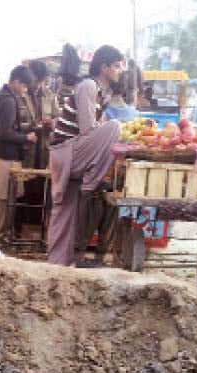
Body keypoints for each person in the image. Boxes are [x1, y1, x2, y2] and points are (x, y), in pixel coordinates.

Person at [47, 45, 123, 267]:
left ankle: (57, 263)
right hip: (66, 151)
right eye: (116, 66)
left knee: (65, 212)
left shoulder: (103, 93)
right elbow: (88, 129)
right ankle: (92, 182)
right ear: (104, 67)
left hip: (70, 152)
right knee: (115, 128)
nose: (119, 71)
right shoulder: (89, 86)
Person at [0, 65, 37, 239]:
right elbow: (5, 132)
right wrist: (26, 138)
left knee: (3, 196)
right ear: (16, 82)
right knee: (2, 197)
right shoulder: (9, 100)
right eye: (23, 86)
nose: (24, 91)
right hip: (5, 156)